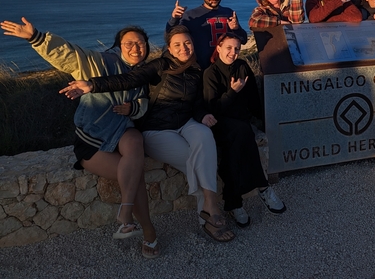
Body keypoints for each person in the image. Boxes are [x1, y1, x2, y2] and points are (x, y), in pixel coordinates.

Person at [0, 18, 158, 258]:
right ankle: (149, 232)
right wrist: (37, 38)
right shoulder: (100, 62)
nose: (136, 48)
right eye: (130, 43)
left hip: (122, 132)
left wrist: (132, 108)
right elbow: (71, 55)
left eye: (141, 43)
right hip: (93, 141)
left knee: (135, 140)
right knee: (133, 177)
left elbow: (143, 103)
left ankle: (125, 215)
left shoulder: (142, 73)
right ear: (118, 46)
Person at [60, 25, 235, 243]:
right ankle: (210, 215)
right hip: (157, 129)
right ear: (169, 48)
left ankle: (209, 204)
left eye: (187, 43)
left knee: (204, 136)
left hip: (184, 123)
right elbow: (128, 80)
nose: (184, 48)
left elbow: (197, 103)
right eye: (177, 44)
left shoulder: (197, 70)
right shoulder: (159, 65)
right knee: (198, 161)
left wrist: (203, 115)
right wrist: (92, 85)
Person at [202, 33, 286, 227]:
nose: (233, 52)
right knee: (242, 132)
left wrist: (265, 120)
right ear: (219, 48)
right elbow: (213, 108)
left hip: (240, 123)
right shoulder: (211, 73)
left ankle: (234, 203)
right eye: (229, 48)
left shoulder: (242, 67)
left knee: (233, 152)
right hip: (220, 123)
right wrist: (233, 92)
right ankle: (264, 189)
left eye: (237, 49)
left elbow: (253, 99)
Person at [167, 0, 248, 69]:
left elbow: (243, 39)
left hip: (225, 67)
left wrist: (236, 29)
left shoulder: (229, 13)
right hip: (201, 68)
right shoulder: (191, 16)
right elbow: (170, 36)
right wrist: (174, 19)